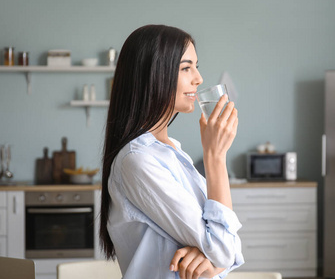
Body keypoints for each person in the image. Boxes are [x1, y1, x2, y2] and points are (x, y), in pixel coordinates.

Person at [99, 24, 244, 279]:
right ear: (153, 74)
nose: (198, 79)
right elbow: (224, 248)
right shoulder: (137, 161)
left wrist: (213, 259)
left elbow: (228, 243)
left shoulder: (172, 151)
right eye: (186, 68)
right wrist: (215, 156)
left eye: (196, 66)